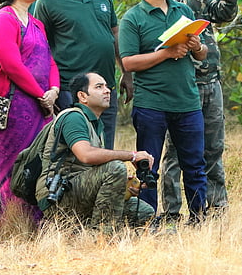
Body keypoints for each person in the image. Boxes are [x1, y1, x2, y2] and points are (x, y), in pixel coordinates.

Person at [142, 0, 239, 219]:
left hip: (211, 80)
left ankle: (216, 208)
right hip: (185, 84)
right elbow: (188, 13)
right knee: (176, 153)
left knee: (213, 148)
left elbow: (222, 13)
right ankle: (172, 212)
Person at [119, 0, 209, 224]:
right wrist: (167, 53)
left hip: (187, 101)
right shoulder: (132, 18)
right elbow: (128, 62)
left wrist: (196, 47)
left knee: (195, 165)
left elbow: (202, 54)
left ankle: (198, 218)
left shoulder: (184, 11)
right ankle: (147, 221)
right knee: (148, 166)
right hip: (151, 104)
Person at [35, 0, 132, 148]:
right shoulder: (47, 0)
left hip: (106, 85)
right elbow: (40, 49)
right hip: (72, 90)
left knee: (106, 148)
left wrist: (125, 71)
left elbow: (114, 33)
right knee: (77, 151)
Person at [0, 0, 60, 236]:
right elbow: (10, 64)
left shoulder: (37, 23)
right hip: (11, 104)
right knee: (12, 165)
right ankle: (9, 227)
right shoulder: (3, 20)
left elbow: (50, 61)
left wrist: (53, 89)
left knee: (40, 163)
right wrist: (40, 94)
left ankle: (35, 225)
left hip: (41, 104)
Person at [37, 73, 155, 231]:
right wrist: (132, 155)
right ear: (82, 96)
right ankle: (102, 236)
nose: (107, 91)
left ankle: (79, 232)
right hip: (57, 195)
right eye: (99, 87)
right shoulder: (73, 117)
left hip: (78, 190)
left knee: (144, 212)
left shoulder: (96, 125)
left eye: (107, 86)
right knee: (115, 168)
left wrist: (124, 185)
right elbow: (86, 155)